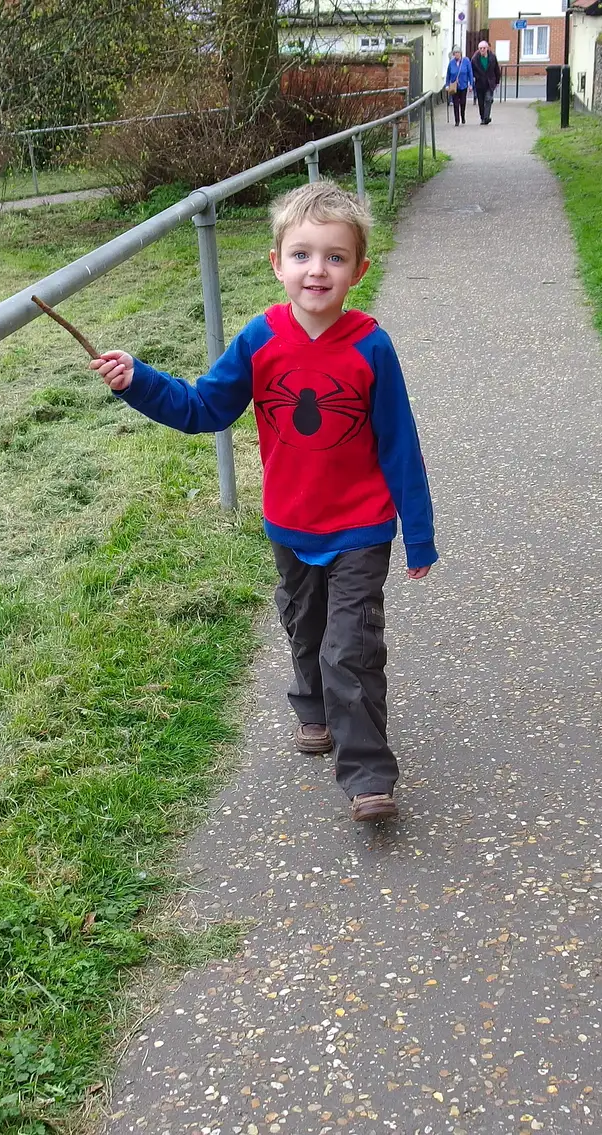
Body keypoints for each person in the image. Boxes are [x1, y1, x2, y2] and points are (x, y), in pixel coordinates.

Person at [88, 182, 438, 824]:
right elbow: (203, 408)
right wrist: (138, 381)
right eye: (302, 255)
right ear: (277, 263)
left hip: (360, 525)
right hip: (290, 521)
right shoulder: (261, 340)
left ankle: (367, 776)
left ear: (359, 269)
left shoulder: (371, 347)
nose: (318, 270)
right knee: (304, 627)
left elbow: (399, 444)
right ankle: (312, 709)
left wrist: (417, 533)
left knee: (351, 650)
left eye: (336, 257)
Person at [471, 39, 501, 125]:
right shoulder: (474, 59)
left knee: (488, 99)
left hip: (489, 83)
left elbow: (496, 70)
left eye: (484, 48)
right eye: (480, 48)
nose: (482, 50)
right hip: (479, 84)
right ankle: (483, 117)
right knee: (481, 102)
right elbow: (472, 71)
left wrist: (497, 81)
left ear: (487, 48)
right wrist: (475, 78)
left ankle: (486, 117)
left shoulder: (492, 57)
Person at [445, 48, 474, 126]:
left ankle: (463, 116)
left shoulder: (466, 61)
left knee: (463, 103)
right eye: (455, 53)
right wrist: (447, 85)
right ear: (453, 54)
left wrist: (471, 84)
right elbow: (448, 75)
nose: (457, 54)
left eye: (458, 52)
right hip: (454, 86)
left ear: (461, 53)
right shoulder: (451, 63)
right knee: (455, 104)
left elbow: (470, 73)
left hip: (463, 86)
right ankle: (457, 120)